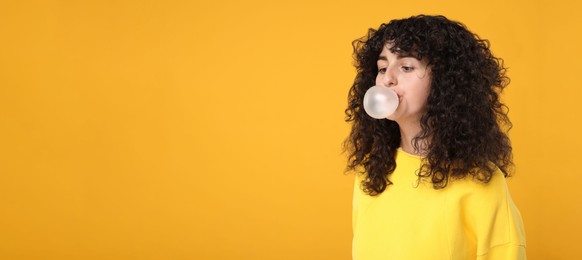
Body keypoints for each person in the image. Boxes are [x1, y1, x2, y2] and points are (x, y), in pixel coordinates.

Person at [341, 14, 527, 259]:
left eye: (406, 67)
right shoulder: (369, 173)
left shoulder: (482, 182)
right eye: (382, 67)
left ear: (444, 82)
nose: (387, 78)